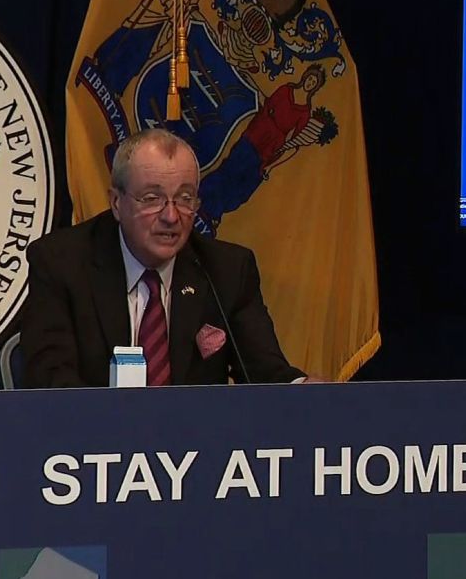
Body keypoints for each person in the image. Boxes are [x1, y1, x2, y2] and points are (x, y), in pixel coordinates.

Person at [21, 128, 309, 387]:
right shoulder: (61, 263)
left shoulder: (226, 270)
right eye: (151, 198)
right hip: (94, 439)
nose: (171, 217)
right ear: (116, 203)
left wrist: (302, 388)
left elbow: (266, 373)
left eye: (185, 198)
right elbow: (50, 381)